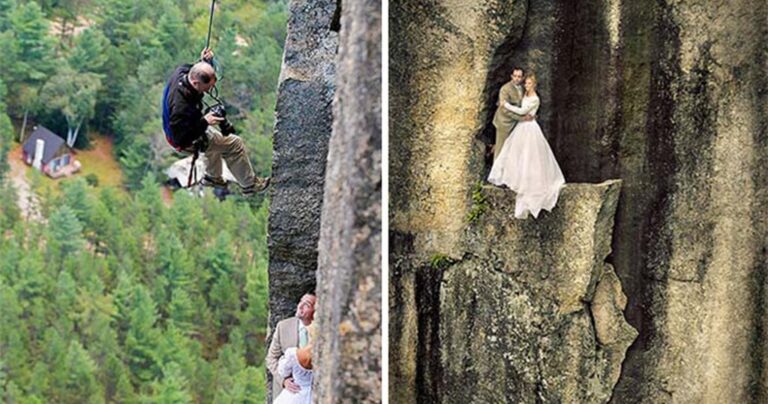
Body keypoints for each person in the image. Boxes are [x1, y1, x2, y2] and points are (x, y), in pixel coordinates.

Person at [164, 48, 269, 195]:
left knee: (214, 141)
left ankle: (212, 177)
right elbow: (180, 138)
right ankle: (249, 184)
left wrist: (206, 62)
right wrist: (204, 122)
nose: (210, 89)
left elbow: (197, 69)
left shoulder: (182, 72)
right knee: (234, 144)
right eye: (208, 87)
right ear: (195, 84)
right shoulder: (181, 107)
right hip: (182, 139)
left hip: (186, 126)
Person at [488, 73, 565, 219]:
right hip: (520, 125)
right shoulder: (514, 90)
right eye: (526, 83)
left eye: (529, 83)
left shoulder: (534, 98)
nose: (526, 85)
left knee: (530, 155)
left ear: (533, 85)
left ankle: (528, 181)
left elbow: (523, 111)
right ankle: (506, 177)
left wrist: (506, 105)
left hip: (529, 127)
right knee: (513, 152)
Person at [266, 294, 316, 402]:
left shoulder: (322, 331)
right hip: (288, 395)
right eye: (301, 301)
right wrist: (283, 381)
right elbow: (271, 359)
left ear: (315, 311)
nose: (300, 306)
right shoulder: (283, 326)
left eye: (307, 305)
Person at [492, 67, 534, 161]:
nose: (517, 78)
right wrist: (521, 118)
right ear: (511, 76)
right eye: (515, 76)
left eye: (519, 76)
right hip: (504, 123)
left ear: (522, 78)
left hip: (517, 124)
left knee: (513, 149)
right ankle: (496, 173)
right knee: (501, 149)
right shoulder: (505, 89)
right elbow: (504, 110)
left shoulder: (524, 88)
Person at [272, 323, 315, 404]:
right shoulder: (323, 356)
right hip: (311, 397)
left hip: (294, 394)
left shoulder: (293, 354)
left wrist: (282, 359)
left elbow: (282, 371)